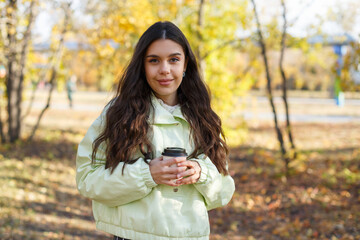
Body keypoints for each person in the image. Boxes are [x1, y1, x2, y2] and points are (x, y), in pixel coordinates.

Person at [76, 21, 235, 240]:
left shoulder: (203, 117)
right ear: (142, 65)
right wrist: (147, 174)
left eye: (174, 60)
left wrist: (201, 173)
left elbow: (224, 191)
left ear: (186, 64)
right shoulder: (119, 114)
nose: (165, 70)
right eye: (154, 61)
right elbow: (87, 179)